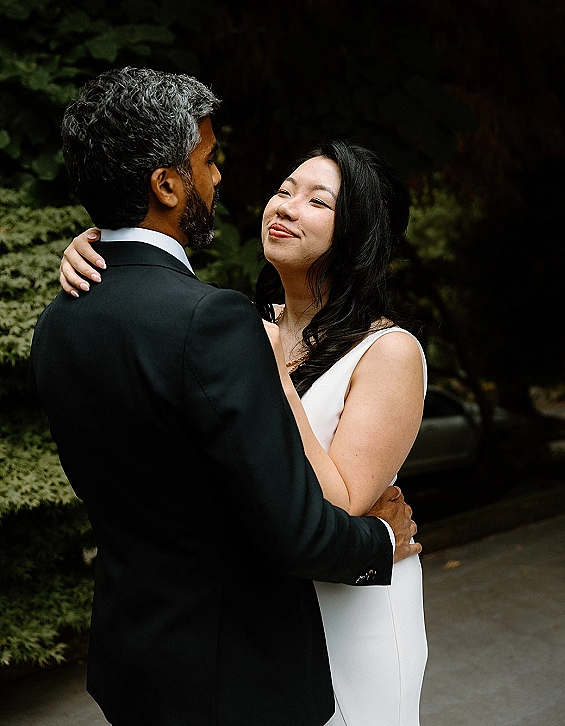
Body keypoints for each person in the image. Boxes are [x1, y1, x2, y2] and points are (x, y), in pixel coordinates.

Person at [32, 66, 420, 726]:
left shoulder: (64, 318)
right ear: (165, 183)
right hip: (242, 649)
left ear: (361, 232)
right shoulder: (230, 324)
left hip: (319, 623)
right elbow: (301, 521)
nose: (282, 204)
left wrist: (113, 246)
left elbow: (340, 496)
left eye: (318, 201)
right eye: (285, 189)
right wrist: (384, 539)